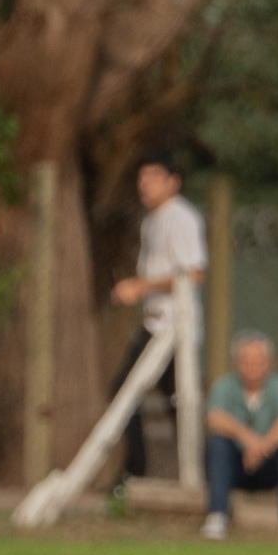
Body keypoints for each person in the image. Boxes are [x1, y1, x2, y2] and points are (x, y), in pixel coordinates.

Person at [108, 151, 206, 482]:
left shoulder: (182, 218)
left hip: (174, 328)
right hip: (154, 323)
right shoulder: (151, 221)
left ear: (173, 182)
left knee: (175, 403)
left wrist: (141, 286)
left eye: (153, 177)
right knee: (138, 394)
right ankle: (138, 471)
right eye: (142, 177)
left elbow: (193, 274)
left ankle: (198, 474)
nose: (145, 184)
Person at [201, 332, 278, 543]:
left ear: (268, 363)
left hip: (269, 467)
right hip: (235, 466)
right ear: (236, 363)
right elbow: (214, 418)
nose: (252, 366)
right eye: (246, 361)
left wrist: (261, 446)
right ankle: (217, 515)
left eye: (257, 361)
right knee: (217, 442)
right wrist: (246, 438)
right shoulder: (223, 386)